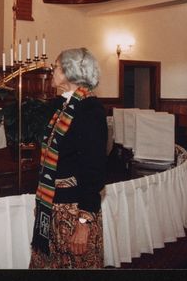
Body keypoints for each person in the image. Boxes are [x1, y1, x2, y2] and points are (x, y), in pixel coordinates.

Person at [29, 47, 108, 269]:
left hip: (74, 211)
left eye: (56, 66)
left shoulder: (90, 110)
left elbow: (95, 170)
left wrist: (83, 223)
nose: (52, 70)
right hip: (53, 205)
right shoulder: (63, 106)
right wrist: (42, 200)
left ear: (70, 72)